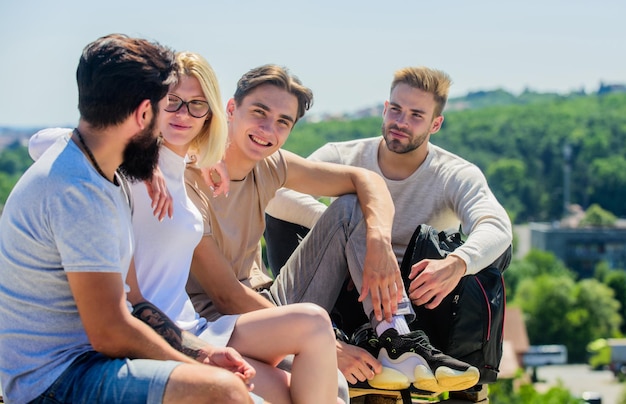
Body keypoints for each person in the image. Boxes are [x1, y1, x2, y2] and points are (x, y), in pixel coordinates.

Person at [27, 52, 343, 404]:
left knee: (315, 332)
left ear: (211, 113)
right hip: (149, 333)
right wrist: (141, 161)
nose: (183, 113)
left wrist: (196, 159)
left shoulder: (185, 170)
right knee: (281, 394)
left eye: (196, 104)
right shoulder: (120, 165)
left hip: (192, 327)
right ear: (149, 106)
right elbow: (40, 141)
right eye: (172, 102)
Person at [184, 64, 480, 394]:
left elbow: (365, 180)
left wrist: (378, 241)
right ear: (231, 109)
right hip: (216, 321)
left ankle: (394, 335)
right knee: (334, 386)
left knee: (350, 209)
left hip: (265, 302)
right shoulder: (191, 179)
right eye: (259, 112)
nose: (268, 129)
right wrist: (325, 344)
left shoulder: (271, 164)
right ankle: (352, 342)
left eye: (283, 122)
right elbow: (225, 295)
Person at [0, 34, 257, 404]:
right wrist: (199, 370)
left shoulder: (105, 174)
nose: (172, 122)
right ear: (142, 115)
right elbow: (110, 332)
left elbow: (134, 301)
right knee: (225, 393)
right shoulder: (80, 192)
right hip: (54, 381)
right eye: (165, 108)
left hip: (89, 361)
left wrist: (201, 352)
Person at [265, 66, 513, 392]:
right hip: (342, 294)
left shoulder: (453, 173)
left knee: (490, 254)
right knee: (288, 218)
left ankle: (407, 345)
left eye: (415, 115)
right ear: (384, 109)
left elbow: (497, 225)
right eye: (395, 110)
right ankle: (347, 339)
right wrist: (357, 237)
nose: (400, 122)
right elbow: (277, 197)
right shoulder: (345, 155)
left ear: (435, 124)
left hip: (414, 301)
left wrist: (456, 264)